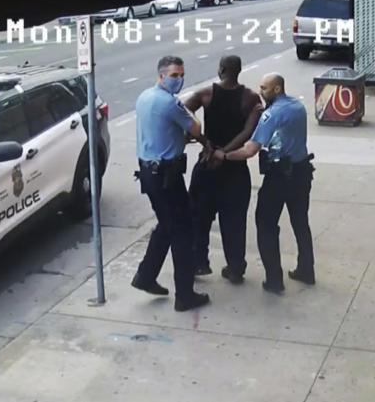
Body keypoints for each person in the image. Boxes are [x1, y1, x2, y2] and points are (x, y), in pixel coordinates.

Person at [209, 73, 314, 295]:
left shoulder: (273, 114)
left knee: (265, 224)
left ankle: (274, 279)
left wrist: (223, 155)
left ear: (277, 89)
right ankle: (307, 269)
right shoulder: (297, 107)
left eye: (264, 88)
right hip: (302, 173)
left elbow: (250, 149)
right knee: (300, 222)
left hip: (279, 177)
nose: (261, 92)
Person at [131, 56, 213, 312]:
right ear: (161, 76)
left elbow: (163, 129)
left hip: (150, 174)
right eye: (174, 75)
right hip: (167, 178)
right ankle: (185, 295)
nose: (178, 79)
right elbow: (196, 128)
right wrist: (185, 112)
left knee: (167, 225)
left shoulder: (145, 96)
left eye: (181, 74)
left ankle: (146, 276)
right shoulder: (169, 103)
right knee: (182, 232)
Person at [183, 55, 264, 284]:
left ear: (220, 70)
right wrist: (225, 153)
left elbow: (184, 113)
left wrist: (205, 143)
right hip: (235, 168)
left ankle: (199, 263)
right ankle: (236, 268)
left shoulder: (206, 94)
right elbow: (248, 131)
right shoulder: (250, 98)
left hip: (207, 164)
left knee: (199, 217)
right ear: (239, 71)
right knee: (234, 222)